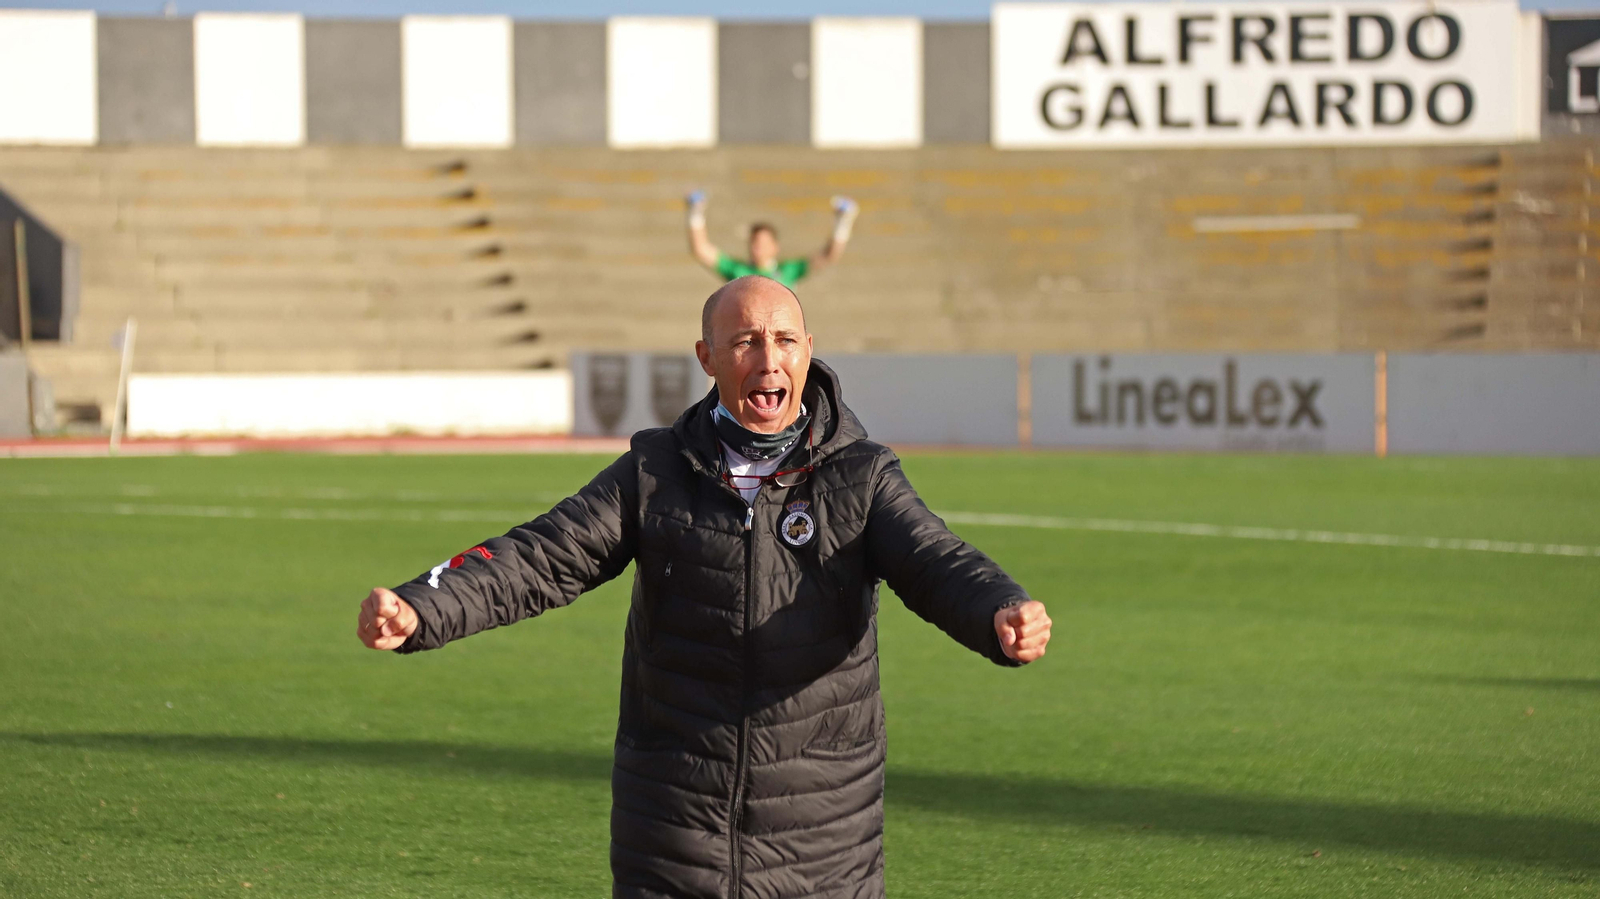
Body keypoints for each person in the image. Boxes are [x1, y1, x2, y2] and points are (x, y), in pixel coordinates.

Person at [357, 275, 1052, 899]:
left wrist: (998, 609)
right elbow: (542, 556)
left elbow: (935, 560)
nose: (769, 359)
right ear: (707, 357)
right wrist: (424, 606)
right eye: (745, 341)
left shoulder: (860, 475)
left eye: (784, 339)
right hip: (672, 828)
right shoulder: (655, 470)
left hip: (822, 838)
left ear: (808, 350)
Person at [685, 191, 858, 288]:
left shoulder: (788, 271)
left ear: (775, 247)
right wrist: (695, 214)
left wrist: (842, 224)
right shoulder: (738, 270)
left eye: (763, 243)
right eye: (754, 242)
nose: (757, 247)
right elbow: (701, 249)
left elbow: (828, 255)